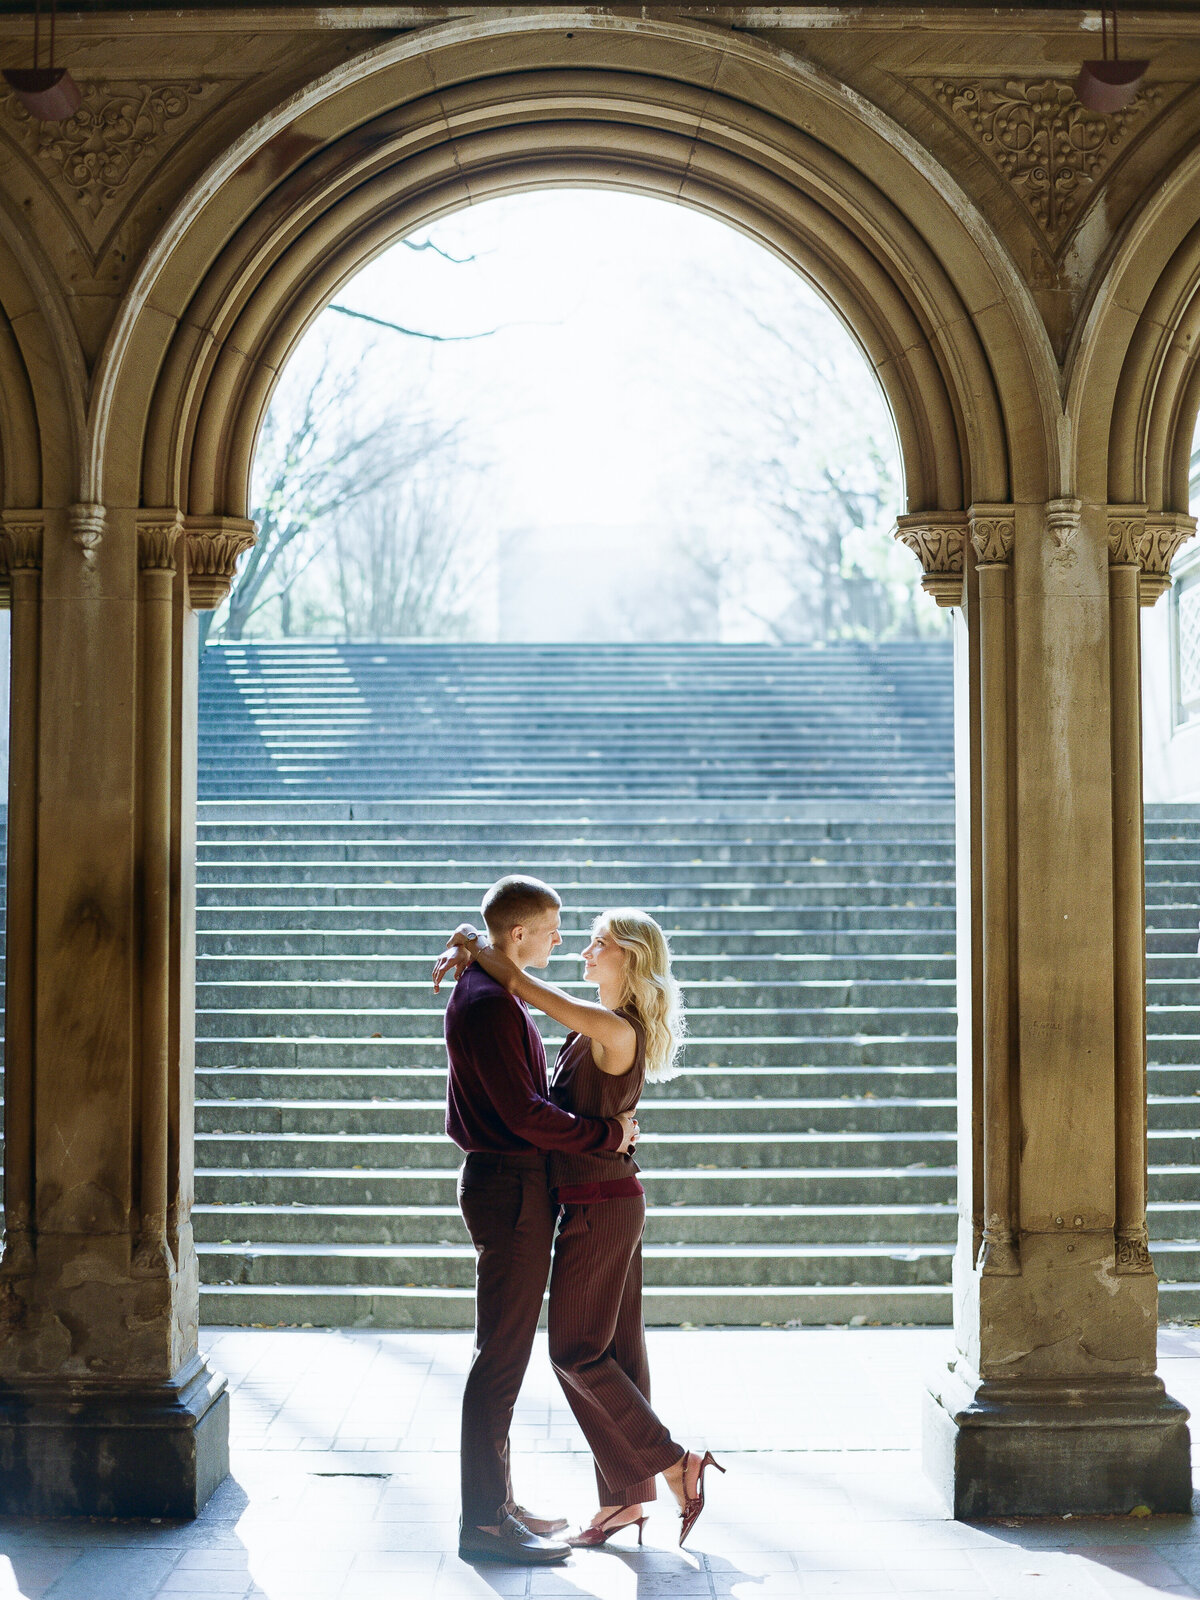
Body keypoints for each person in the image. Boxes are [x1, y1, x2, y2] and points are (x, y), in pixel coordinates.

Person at [435, 906, 724, 1549]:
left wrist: (475, 944)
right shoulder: (599, 1024)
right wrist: (474, 944)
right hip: (601, 1199)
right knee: (617, 1352)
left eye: (598, 943)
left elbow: (524, 985)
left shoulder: (611, 1027)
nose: (582, 951)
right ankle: (625, 1501)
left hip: (601, 1204)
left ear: (630, 958)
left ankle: (675, 1462)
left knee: (575, 1352)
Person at [439, 874, 639, 1567]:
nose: (561, 940)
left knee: (503, 1353)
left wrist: (472, 942)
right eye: (553, 930)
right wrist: (607, 1135)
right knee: (500, 1357)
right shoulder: (491, 1001)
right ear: (519, 933)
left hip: (510, 1185)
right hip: (510, 1189)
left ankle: (496, 1503)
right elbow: (526, 1113)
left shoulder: (488, 987)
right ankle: (485, 1521)